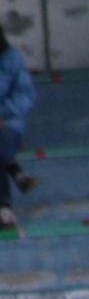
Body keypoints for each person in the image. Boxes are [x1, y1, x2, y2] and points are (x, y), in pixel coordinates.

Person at [0, 25, 38, 230]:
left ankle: (4, 208)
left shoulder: (11, 57)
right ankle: (15, 171)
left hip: (8, 123)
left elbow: (26, 95)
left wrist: (3, 113)